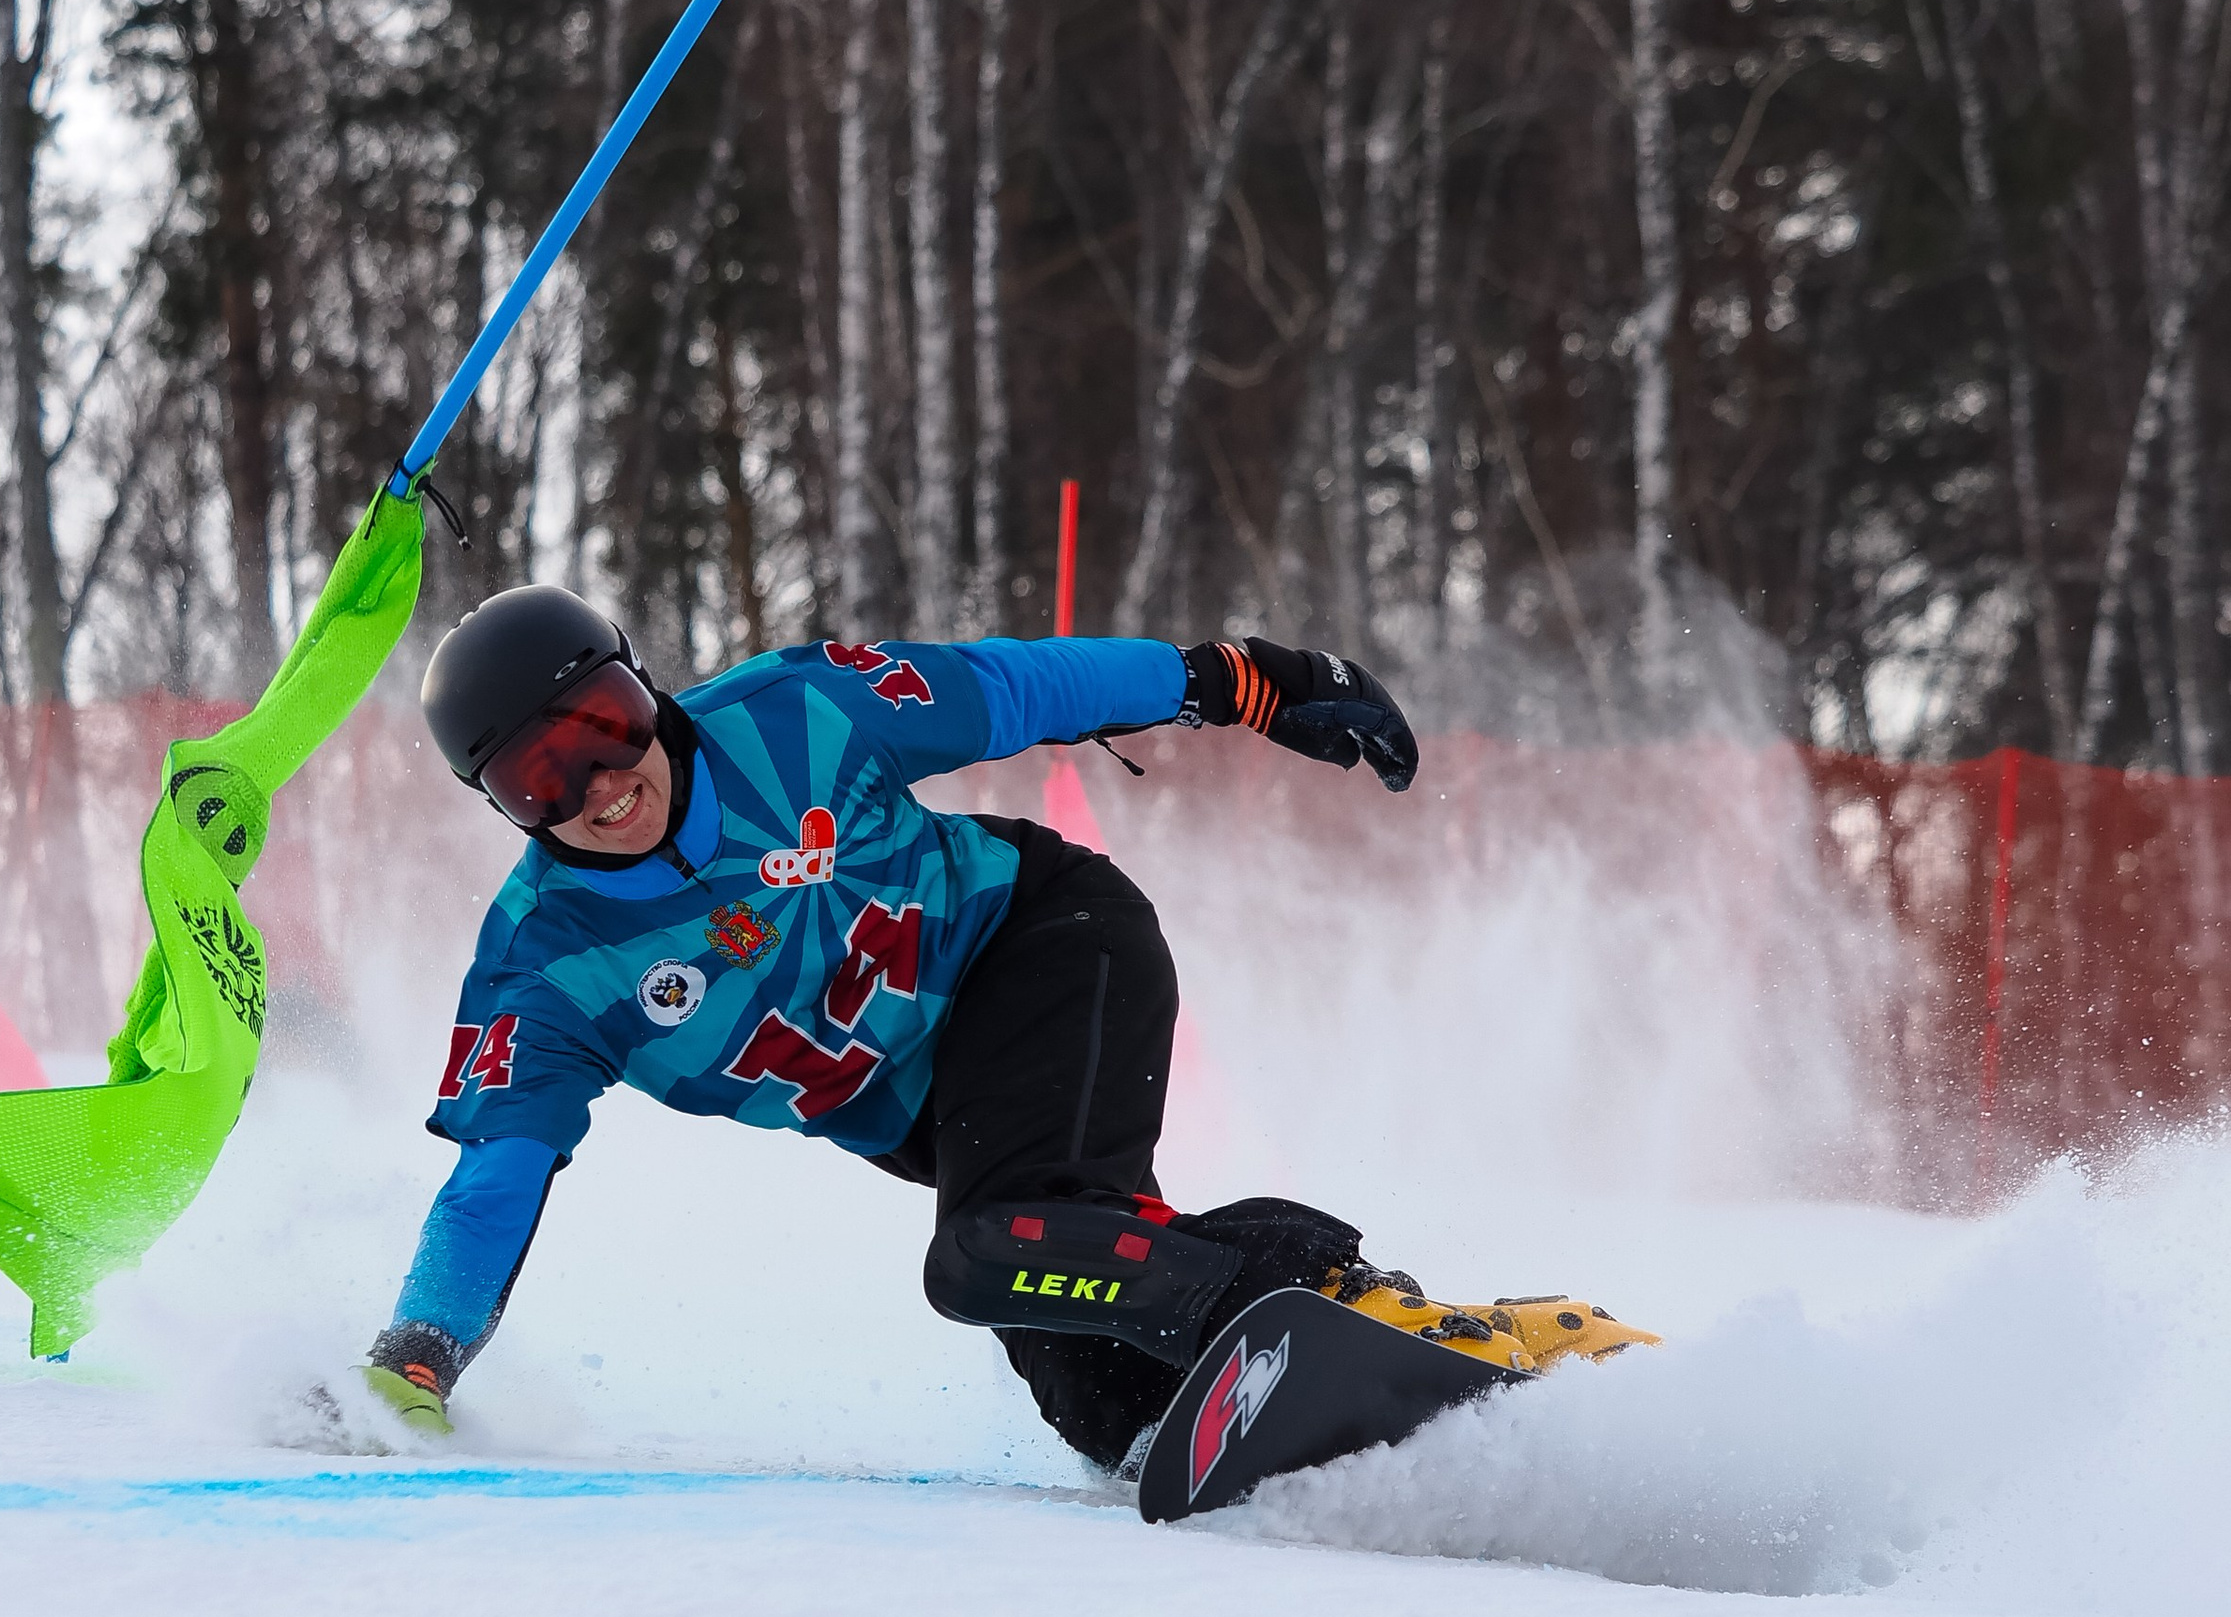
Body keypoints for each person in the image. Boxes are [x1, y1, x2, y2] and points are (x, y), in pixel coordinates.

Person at [363, 595, 1480, 1469]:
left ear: (644, 688)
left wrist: (1231, 680)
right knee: (1100, 1398)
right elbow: (495, 1175)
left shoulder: (794, 716)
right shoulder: (546, 970)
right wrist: (419, 1351)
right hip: (951, 1115)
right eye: (541, 776)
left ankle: (1329, 1312)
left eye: (605, 723)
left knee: (990, 1249)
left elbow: (1008, 687)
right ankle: (1334, 1421)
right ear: (502, 807)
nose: (604, 783)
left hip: (1046, 941)